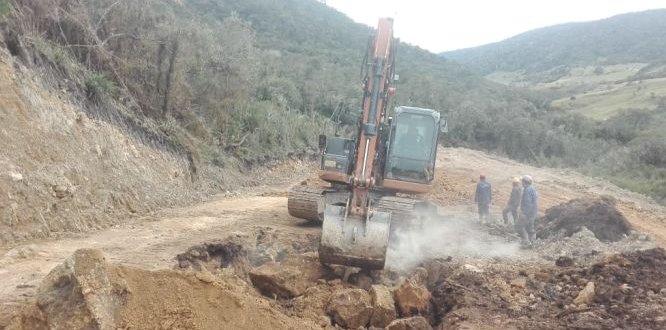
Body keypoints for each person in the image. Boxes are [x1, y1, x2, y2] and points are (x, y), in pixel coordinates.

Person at [516, 175, 538, 247]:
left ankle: (526, 242)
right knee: (530, 227)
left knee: (519, 226)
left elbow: (528, 203)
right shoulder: (532, 189)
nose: (521, 183)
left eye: (522, 182)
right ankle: (533, 242)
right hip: (533, 212)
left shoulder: (527, 190)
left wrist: (524, 213)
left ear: (525, 182)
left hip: (528, 213)